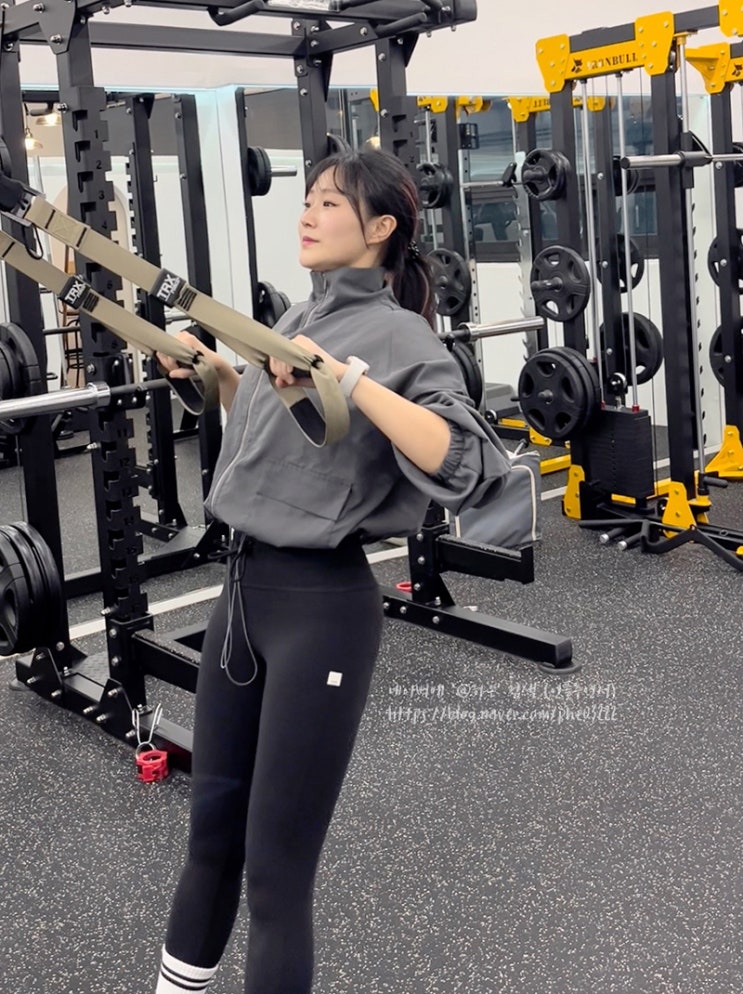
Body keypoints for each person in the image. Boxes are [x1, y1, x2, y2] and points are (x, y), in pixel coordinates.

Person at [153, 148, 512, 994]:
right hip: (241, 597)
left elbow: (468, 460)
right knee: (211, 838)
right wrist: (219, 375)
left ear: (379, 227)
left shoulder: (398, 335)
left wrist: (347, 380)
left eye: (328, 203)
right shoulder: (298, 314)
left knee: (276, 870)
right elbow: (285, 439)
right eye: (307, 199)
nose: (307, 214)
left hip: (319, 610)